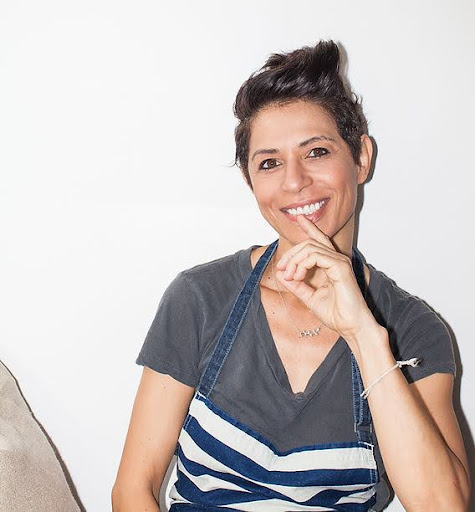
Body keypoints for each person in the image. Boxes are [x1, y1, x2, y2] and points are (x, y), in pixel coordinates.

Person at [112, 41, 470, 511]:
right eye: (269, 163)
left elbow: (443, 506)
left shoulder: (414, 329)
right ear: (250, 181)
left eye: (316, 151)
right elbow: (133, 488)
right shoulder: (199, 299)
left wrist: (364, 333)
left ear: (361, 157)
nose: (294, 181)